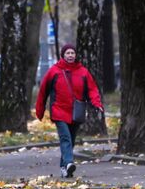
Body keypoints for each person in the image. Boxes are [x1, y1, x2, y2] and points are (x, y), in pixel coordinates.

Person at [35, 43, 104, 178]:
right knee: (65, 137)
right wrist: (40, 110)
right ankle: (68, 162)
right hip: (59, 110)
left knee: (71, 140)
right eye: (68, 53)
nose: (70, 55)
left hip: (76, 112)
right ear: (63, 55)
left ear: (76, 55)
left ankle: (64, 168)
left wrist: (96, 103)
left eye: (73, 53)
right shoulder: (54, 71)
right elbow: (43, 91)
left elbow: (92, 89)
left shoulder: (83, 72)